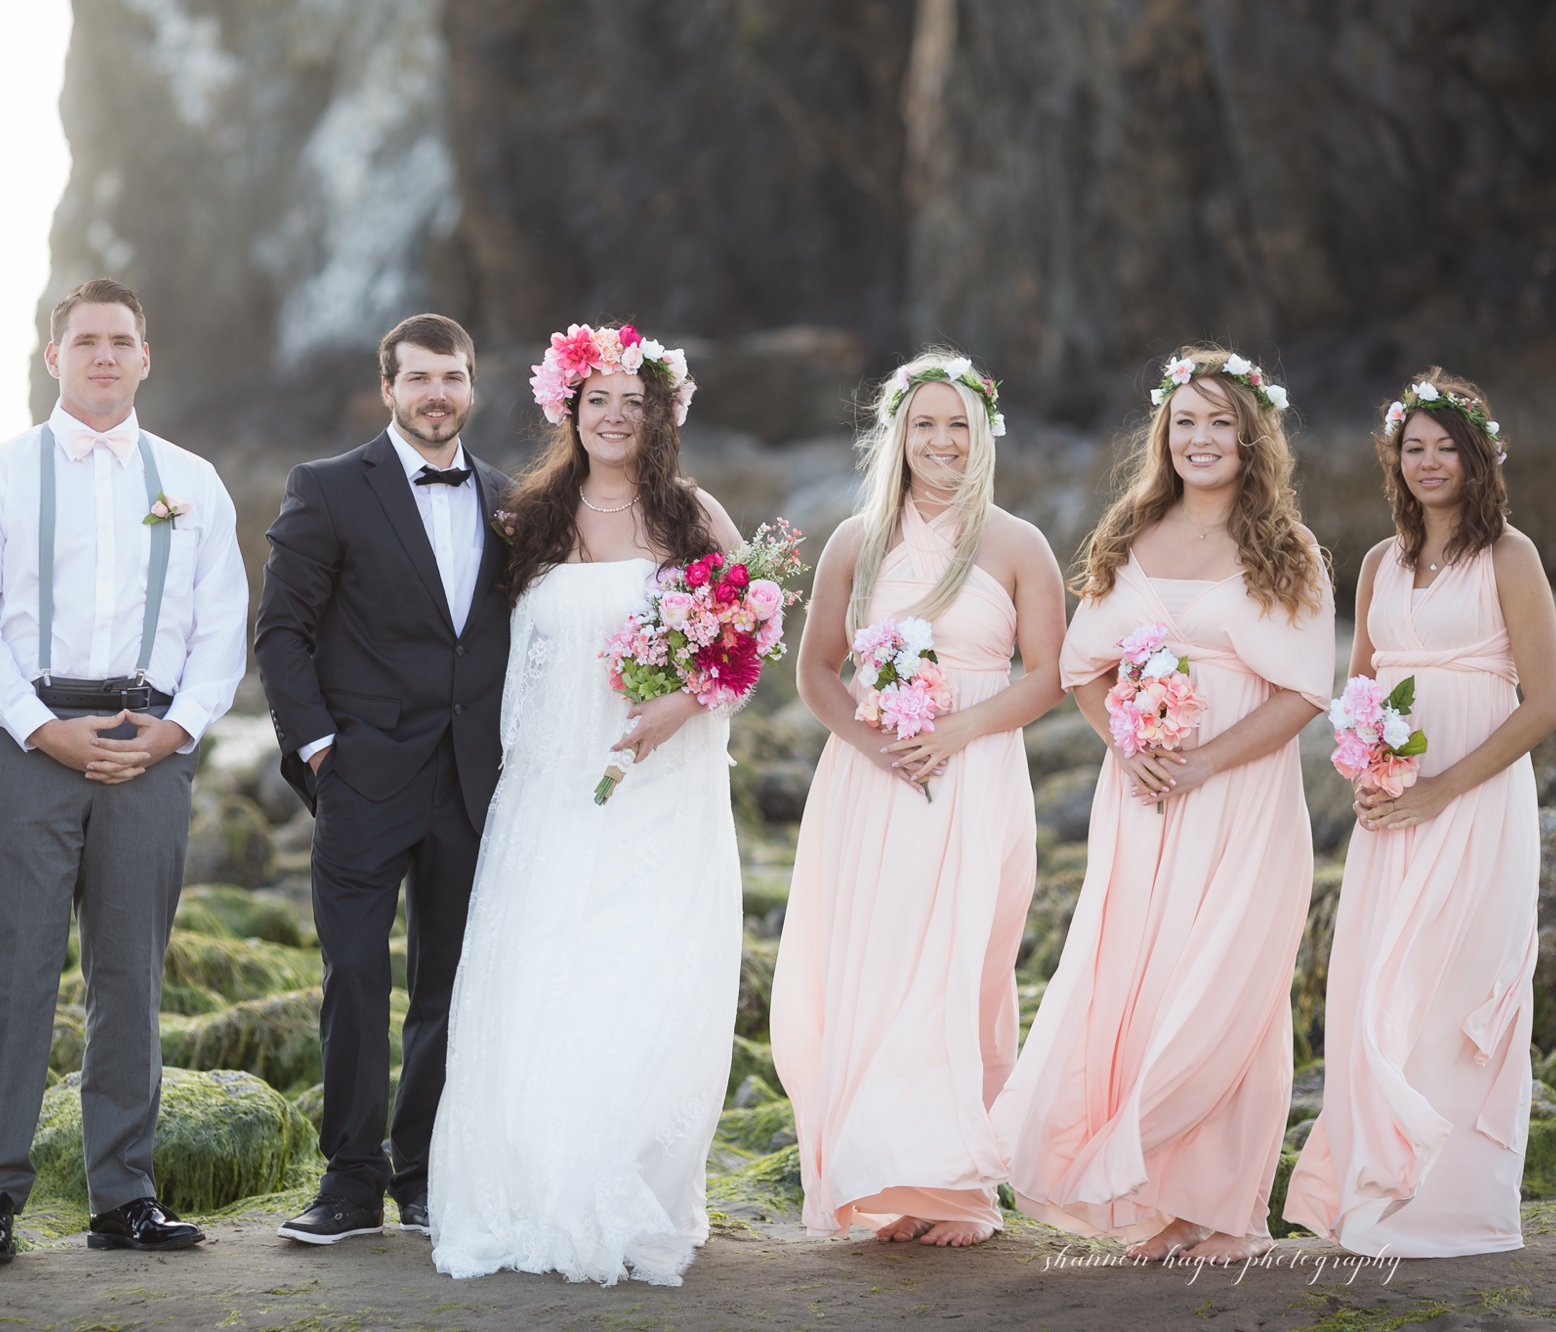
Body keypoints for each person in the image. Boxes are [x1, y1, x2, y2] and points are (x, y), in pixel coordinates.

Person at [991, 346, 1334, 1264]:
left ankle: (1211, 1203)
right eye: (1186, 422)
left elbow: (1305, 691)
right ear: (1164, 435)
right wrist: (1128, 746)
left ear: (1252, 436)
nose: (1202, 439)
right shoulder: (1129, 536)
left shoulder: (1287, 552)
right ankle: (1141, 1191)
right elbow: (1079, 670)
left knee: (1223, 982)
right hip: (1140, 800)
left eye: (1221, 422)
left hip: (1241, 800)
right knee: (1136, 977)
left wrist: (1204, 761)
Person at [427, 322, 743, 1286]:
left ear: (659, 418)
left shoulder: (691, 517)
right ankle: (535, 1181)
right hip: (552, 789)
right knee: (546, 976)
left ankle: (625, 1175)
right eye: (598, 398)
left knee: (639, 979)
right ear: (571, 407)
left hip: (662, 787)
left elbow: (747, 643)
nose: (614, 415)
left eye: (632, 402)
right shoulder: (527, 518)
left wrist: (678, 707)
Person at [0, 278, 247, 1262]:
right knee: (13, 975)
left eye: (121, 340)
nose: (104, 355)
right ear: (53, 357)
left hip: (150, 743)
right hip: (30, 740)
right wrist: (39, 728)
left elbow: (219, 628)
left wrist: (179, 729)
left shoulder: (193, 481)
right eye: (85, 341)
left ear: (145, 357)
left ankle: (123, 1197)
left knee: (129, 977)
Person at [772, 351, 1065, 1247]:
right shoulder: (855, 543)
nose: (942, 440)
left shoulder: (1018, 543)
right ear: (898, 433)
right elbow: (817, 670)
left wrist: (954, 734)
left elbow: (1051, 675)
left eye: (958, 425)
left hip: (974, 773)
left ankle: (956, 1188)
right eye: (925, 423)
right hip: (871, 781)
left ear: (984, 436)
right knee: (875, 961)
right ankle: (886, 1179)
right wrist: (870, 742)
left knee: (961, 963)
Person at [1284, 372, 1556, 1255]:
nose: (1430, 462)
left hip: (1477, 807)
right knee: (1378, 985)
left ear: (1479, 458)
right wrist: (1370, 773)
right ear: (1394, 462)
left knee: (1459, 987)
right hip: (1393, 811)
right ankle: (1378, 1202)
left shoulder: (1510, 557)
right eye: (1415, 448)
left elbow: (1546, 703)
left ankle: (1459, 1212)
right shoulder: (1377, 565)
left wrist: (1446, 786)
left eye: (1447, 447)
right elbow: (1361, 690)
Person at [256, 314, 514, 1244]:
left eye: (452, 377)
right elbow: (281, 630)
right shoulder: (326, 489)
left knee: (448, 985)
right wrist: (319, 747)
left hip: (473, 783)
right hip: (362, 776)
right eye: (419, 379)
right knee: (356, 977)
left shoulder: (510, 498)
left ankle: (424, 1175)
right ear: (389, 389)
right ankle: (350, 1182)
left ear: (472, 387)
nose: (437, 394)